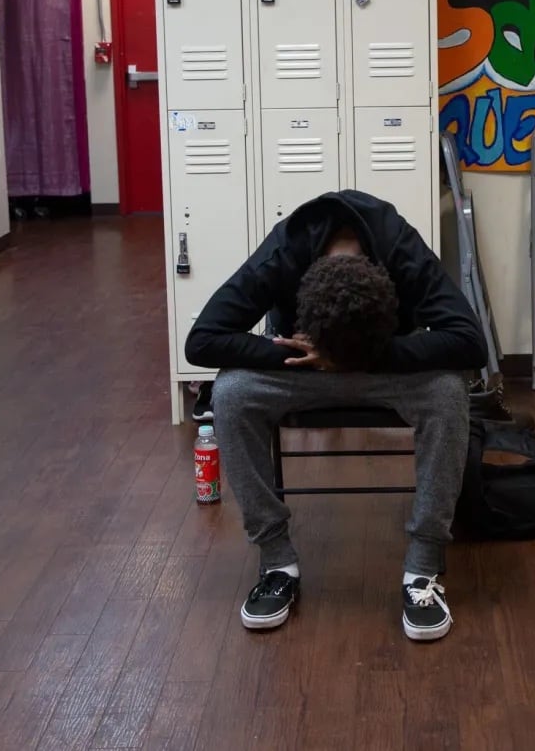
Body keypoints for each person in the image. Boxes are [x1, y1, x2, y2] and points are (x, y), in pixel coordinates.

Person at [186, 190, 488, 641]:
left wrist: (371, 353)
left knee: (447, 392)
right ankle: (277, 561)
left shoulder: (400, 247)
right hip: (307, 364)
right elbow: (202, 340)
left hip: (381, 363)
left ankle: (423, 568)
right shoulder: (283, 251)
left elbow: (470, 342)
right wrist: (301, 353)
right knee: (231, 393)